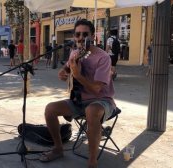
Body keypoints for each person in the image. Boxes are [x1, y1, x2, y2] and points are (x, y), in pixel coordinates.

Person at [40, 19, 116, 168]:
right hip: (79, 100)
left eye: (85, 34)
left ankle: (92, 162)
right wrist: (63, 73)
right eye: (77, 34)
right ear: (74, 37)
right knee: (50, 109)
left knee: (91, 110)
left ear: (93, 36)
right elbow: (67, 69)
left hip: (102, 101)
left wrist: (78, 75)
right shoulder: (75, 53)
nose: (81, 37)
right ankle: (58, 148)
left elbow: (96, 89)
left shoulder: (103, 58)